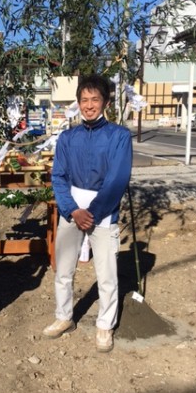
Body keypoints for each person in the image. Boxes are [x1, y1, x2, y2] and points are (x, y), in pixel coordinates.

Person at [43, 74, 132, 352]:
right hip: (72, 208)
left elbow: (117, 179)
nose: (89, 105)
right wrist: (71, 210)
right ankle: (64, 317)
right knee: (64, 269)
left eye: (95, 99)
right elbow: (58, 176)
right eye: (84, 100)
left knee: (106, 274)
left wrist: (91, 212)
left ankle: (105, 325)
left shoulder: (119, 136)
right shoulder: (68, 138)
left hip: (103, 211)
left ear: (105, 101)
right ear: (78, 102)